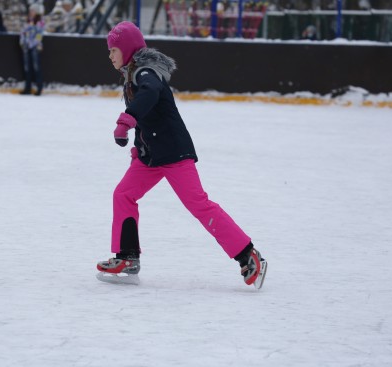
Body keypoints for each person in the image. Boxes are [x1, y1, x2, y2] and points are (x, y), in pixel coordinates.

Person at [96, 21, 267, 289]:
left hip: (175, 154)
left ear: (127, 49)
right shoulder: (133, 73)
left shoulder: (145, 73)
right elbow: (151, 119)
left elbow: (150, 95)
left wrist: (126, 119)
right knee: (124, 194)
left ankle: (248, 255)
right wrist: (138, 147)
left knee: (199, 204)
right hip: (151, 156)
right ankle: (127, 257)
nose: (110, 56)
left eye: (113, 50)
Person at [19, 3, 45, 96]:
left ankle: (39, 87)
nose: (31, 12)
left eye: (33, 10)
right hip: (26, 47)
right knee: (27, 68)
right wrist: (22, 41)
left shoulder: (40, 22)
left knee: (36, 67)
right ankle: (27, 88)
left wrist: (33, 43)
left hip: (35, 47)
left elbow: (39, 35)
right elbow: (22, 32)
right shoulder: (27, 22)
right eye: (30, 11)